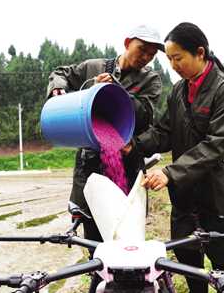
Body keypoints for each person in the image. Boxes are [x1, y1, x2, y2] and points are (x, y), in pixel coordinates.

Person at [127, 22, 224, 293]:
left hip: (221, 188)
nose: (173, 65)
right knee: (186, 250)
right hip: (187, 188)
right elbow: (164, 132)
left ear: (200, 53)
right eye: (169, 59)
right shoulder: (179, 91)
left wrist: (170, 172)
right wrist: (133, 145)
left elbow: (217, 144)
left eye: (178, 58)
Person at [47, 25, 163, 242]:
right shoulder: (94, 67)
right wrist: (58, 90)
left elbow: (145, 114)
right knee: (95, 238)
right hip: (91, 165)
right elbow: (60, 73)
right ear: (127, 43)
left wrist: (115, 90)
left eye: (152, 54)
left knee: (129, 233)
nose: (146, 57)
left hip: (127, 161)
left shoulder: (150, 79)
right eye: (142, 49)